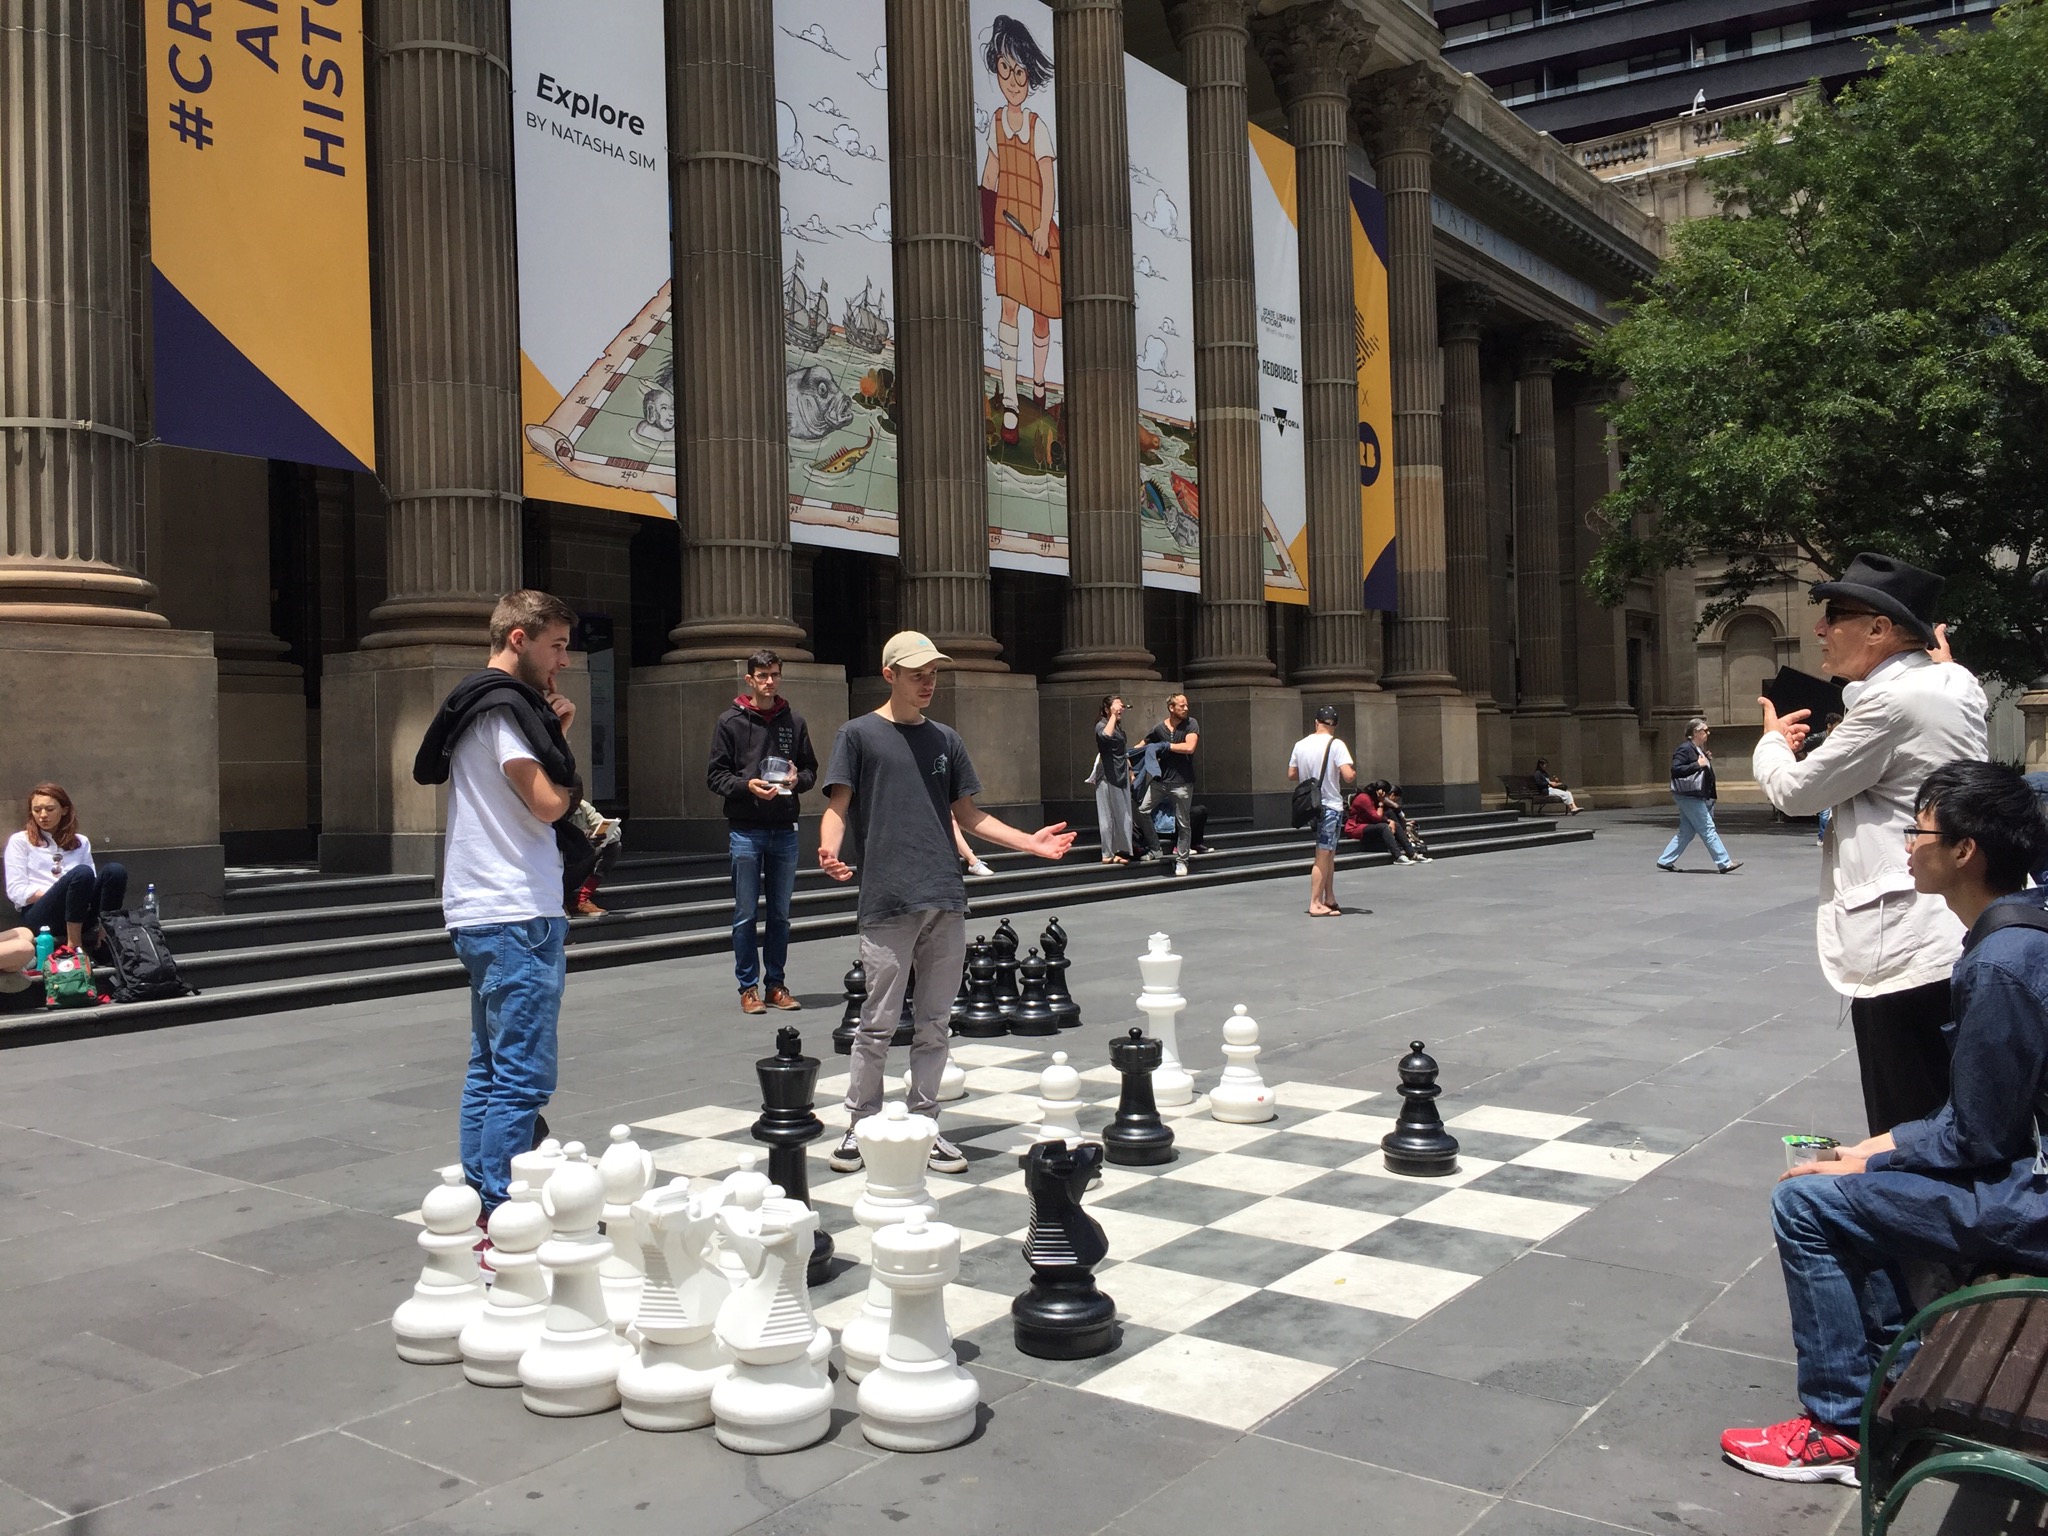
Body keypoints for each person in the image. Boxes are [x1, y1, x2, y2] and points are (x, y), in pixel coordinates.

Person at [1720, 760, 2048, 1486]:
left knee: (1805, 1204)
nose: (1905, 844)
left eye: (1918, 828)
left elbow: (1979, 1139)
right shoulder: (2022, 933)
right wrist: (1873, 1148)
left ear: (1965, 851)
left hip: (2038, 1201)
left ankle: (1839, 1428)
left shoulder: (2001, 963)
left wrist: (1868, 1163)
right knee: (1852, 1189)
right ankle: (1892, 1389)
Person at [818, 631, 1076, 1175]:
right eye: (917, 673)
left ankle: (927, 1124)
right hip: (887, 895)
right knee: (877, 1022)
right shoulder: (857, 735)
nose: (928, 681)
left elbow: (969, 815)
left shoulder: (946, 740)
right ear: (890, 674)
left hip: (944, 894)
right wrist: (829, 849)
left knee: (936, 1022)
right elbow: (839, 805)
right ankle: (859, 1125)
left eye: (933, 672)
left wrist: (1030, 842)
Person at [1754, 552, 1987, 1135]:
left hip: (1906, 945)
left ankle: (1916, 1219)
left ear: (1880, 630)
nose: (1820, 630)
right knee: (1958, 1107)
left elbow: (1796, 792)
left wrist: (1773, 742)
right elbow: (1945, 674)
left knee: (1906, 1115)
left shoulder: (1889, 703)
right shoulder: (1956, 683)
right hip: (1962, 925)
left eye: (1835, 615)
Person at [412, 589, 580, 1220]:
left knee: (489, 1067)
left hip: (477, 905)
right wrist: (564, 771)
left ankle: (482, 1201)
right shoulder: (506, 710)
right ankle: (499, 1212)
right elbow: (544, 802)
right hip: (516, 907)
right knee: (522, 1077)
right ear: (519, 639)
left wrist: (554, 732)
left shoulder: (474, 708)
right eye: (555, 645)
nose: (562, 660)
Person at [706, 649, 818, 1015]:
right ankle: (747, 987)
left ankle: (776, 985)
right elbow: (715, 776)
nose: (769, 681)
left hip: (784, 828)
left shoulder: (794, 722)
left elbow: (811, 771)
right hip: (746, 829)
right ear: (749, 679)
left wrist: (796, 779)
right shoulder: (730, 722)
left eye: (775, 674)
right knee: (744, 914)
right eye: (762, 675)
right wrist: (746, 786)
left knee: (781, 914)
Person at [978, 14, 1059, 448]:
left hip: (1036, 231)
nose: (1012, 79)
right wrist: (985, 233)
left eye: (1019, 71)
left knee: (1041, 314)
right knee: (1009, 309)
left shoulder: (1036, 127)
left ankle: (1040, 382)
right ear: (997, 69)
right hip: (1007, 230)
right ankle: (1010, 399)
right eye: (1004, 70)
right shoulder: (994, 123)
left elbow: (1048, 182)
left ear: (1030, 75)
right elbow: (990, 177)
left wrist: (1045, 228)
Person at [4, 783, 128, 955]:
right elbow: (16, 891)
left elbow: (89, 882)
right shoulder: (20, 841)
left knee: (115, 871)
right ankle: (74, 946)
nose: (43, 815)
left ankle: (106, 937)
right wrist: (61, 891)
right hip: (41, 915)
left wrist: (74, 891)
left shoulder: (81, 841)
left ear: (64, 810)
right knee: (80, 874)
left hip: (80, 911)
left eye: (49, 809)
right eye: (37, 810)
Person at [1287, 706, 1357, 916]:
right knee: (1323, 854)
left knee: (1327, 854)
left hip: (1312, 806)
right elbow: (1348, 776)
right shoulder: (1336, 744)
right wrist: (1351, 770)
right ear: (1334, 725)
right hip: (1330, 806)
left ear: (1316, 722)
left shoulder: (1300, 745)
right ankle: (1315, 902)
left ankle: (1330, 898)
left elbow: (1292, 774)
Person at [1657, 718, 1741, 874]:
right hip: (1689, 796)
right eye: (1705, 730)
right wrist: (1698, 764)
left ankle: (1665, 860)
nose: (1707, 733)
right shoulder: (1685, 749)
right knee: (1708, 828)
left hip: (1695, 796)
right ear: (1695, 732)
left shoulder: (1697, 749)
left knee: (1687, 832)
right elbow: (1676, 769)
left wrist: (1705, 761)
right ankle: (1724, 862)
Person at [1144, 694, 1200, 877]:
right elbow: (1143, 744)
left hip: (1182, 782)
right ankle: (1155, 848)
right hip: (1160, 781)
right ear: (1171, 707)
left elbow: (1190, 747)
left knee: (1183, 823)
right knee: (1142, 811)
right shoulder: (1159, 728)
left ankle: (1182, 861)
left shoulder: (1191, 724)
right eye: (1181, 706)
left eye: (1186, 705)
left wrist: (1166, 746)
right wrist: (1129, 758)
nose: (1185, 708)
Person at [1092, 696, 1135, 864]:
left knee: (1124, 814)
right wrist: (1112, 716)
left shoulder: (1118, 727)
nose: (1121, 708)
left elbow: (1124, 751)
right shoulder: (1102, 725)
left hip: (1121, 771)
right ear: (1107, 708)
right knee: (1107, 815)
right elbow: (1105, 737)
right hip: (1107, 773)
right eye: (1117, 705)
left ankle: (1121, 850)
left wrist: (1130, 769)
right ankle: (1107, 852)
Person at [565, 801, 622, 917]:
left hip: (577, 864)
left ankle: (582, 899)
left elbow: (615, 832)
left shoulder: (583, 807)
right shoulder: (550, 808)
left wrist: (596, 836)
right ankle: (558, 902)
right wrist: (580, 836)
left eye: (578, 795)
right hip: (556, 866)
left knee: (615, 846)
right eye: (570, 795)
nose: (574, 800)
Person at [1345, 782, 1420, 864]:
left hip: (1366, 824)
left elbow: (1381, 814)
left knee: (1396, 824)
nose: (1385, 797)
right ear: (1381, 792)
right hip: (1355, 828)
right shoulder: (1364, 798)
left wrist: (1391, 820)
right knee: (1384, 826)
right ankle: (1398, 856)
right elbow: (1376, 817)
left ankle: (1412, 853)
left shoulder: (1372, 797)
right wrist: (1381, 802)